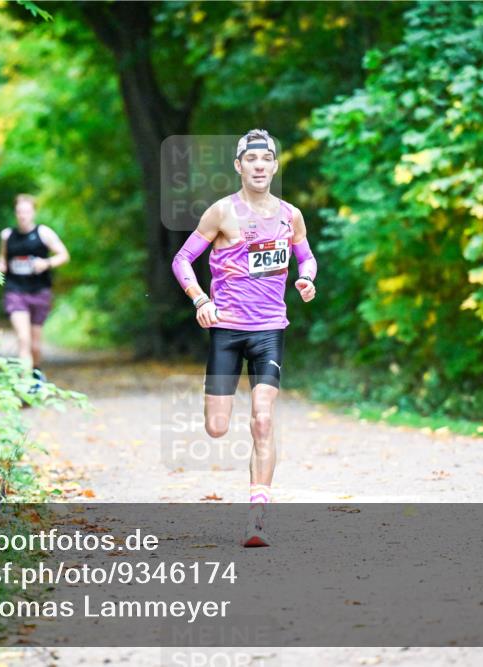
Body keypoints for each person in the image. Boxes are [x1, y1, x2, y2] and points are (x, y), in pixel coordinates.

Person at [171, 129, 317, 547]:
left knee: (263, 419)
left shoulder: (291, 215)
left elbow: (306, 256)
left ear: (274, 166)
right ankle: (223, 415)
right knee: (216, 428)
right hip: (227, 330)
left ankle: (257, 520)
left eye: (265, 159)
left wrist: (306, 277)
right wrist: (200, 299)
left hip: (270, 329)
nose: (258, 165)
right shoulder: (221, 212)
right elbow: (182, 259)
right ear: (239, 166)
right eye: (250, 159)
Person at [0, 194, 70, 386]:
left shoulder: (43, 233)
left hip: (39, 291)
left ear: (33, 213)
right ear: (15, 213)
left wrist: (46, 263)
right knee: (23, 339)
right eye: (19, 212)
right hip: (15, 291)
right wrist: (0, 266)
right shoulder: (7, 235)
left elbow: (64, 255)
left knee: (35, 345)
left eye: (26, 212)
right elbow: (2, 259)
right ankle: (24, 384)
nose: (22, 216)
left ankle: (36, 374)